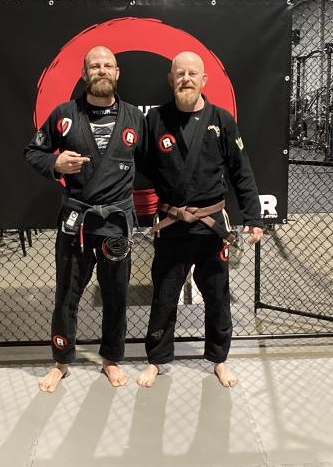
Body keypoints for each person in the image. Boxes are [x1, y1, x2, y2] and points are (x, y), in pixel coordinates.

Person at [137, 51, 264, 388]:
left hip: (211, 227)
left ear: (204, 80)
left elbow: (241, 172)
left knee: (217, 295)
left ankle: (219, 359)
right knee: (164, 295)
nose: (186, 79)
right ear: (171, 79)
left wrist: (253, 216)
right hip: (172, 225)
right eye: (180, 73)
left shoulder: (221, 120)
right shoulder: (155, 120)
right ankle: (157, 359)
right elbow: (140, 166)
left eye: (193, 73)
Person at [25, 46, 145, 392]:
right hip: (76, 222)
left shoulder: (135, 118)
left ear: (117, 73)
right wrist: (55, 164)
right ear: (84, 73)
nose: (102, 70)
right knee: (67, 294)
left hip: (116, 223)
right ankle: (61, 361)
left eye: (108, 65)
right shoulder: (64, 114)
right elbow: (32, 151)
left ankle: (111, 359)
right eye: (95, 66)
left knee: (116, 294)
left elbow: (155, 163)